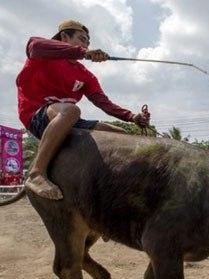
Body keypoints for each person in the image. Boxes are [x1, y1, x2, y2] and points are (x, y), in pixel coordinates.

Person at [16, 20, 150, 200]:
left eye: (88, 42)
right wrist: (83, 52)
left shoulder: (86, 75)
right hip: (37, 115)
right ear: (64, 37)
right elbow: (34, 46)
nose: (86, 44)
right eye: (82, 39)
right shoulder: (42, 51)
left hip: (67, 119)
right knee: (72, 111)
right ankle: (36, 173)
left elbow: (103, 103)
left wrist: (133, 116)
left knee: (120, 133)